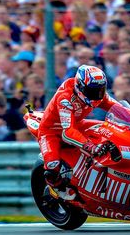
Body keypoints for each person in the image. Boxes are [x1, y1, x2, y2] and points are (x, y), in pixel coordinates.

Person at [37, 65, 119, 200]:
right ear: (80, 87)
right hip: (51, 131)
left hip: (78, 124)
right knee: (52, 165)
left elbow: (117, 107)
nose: (97, 95)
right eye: (93, 91)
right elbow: (68, 132)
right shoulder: (65, 98)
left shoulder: (98, 95)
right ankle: (57, 187)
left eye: (100, 90)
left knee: (109, 131)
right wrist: (89, 146)